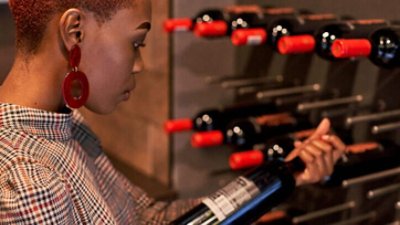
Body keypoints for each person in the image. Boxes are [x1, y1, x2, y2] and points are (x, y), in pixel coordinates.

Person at [0, 0, 346, 224]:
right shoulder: (29, 182)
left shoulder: (69, 126)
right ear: (74, 31)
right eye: (136, 43)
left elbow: (148, 216)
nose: (139, 66)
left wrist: (284, 175)